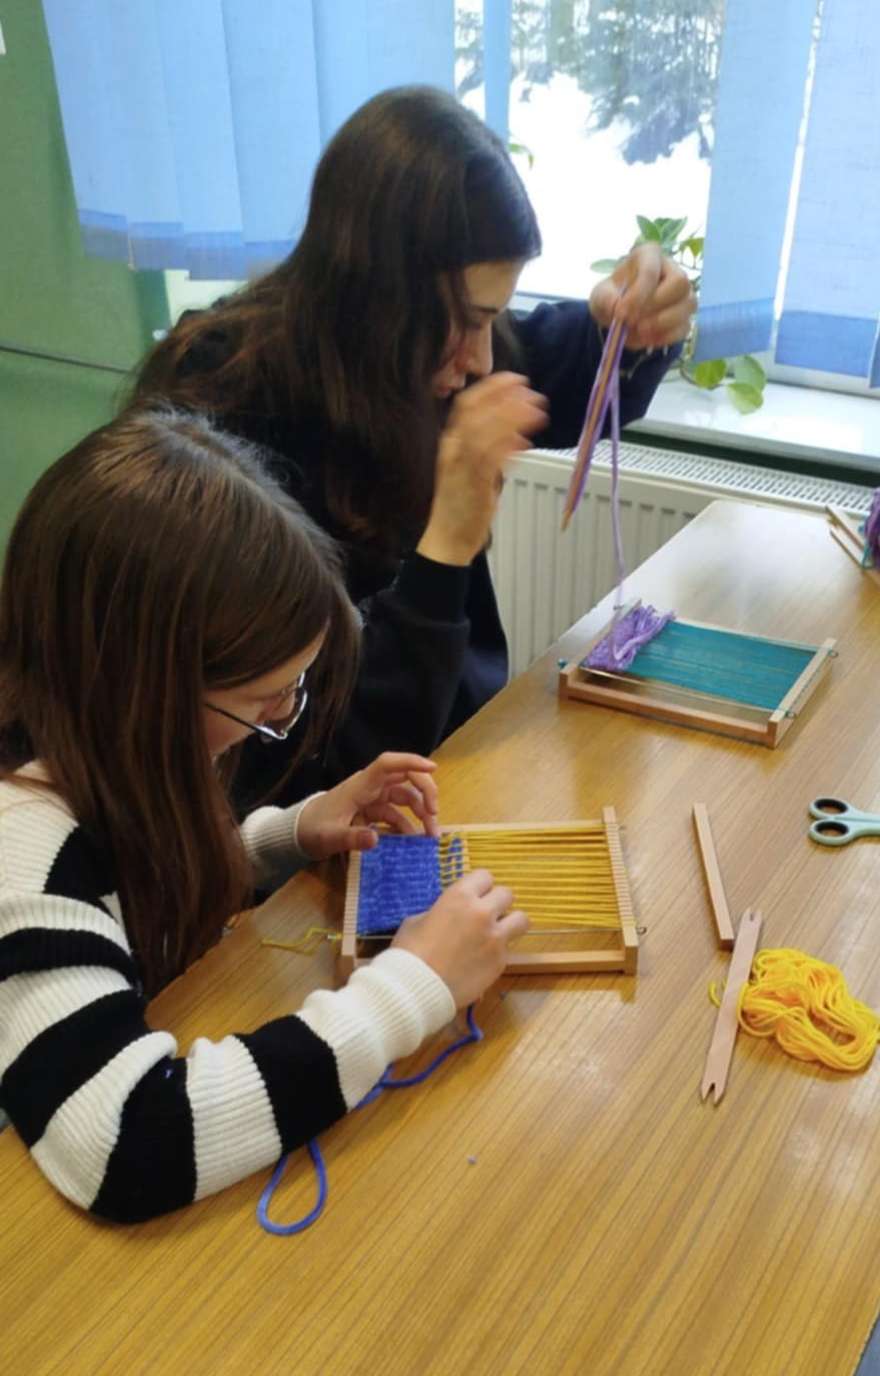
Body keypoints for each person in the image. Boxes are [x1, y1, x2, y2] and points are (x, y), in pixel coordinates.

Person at [0, 410, 527, 1223]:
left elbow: (127, 893)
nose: (281, 717)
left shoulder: (106, 759)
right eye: (263, 701)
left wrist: (290, 833)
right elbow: (130, 1144)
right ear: (144, 691)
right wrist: (411, 987)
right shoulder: (23, 863)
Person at [130, 85, 695, 811]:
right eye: (468, 320)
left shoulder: (416, 346)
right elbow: (325, 752)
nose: (482, 360)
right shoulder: (221, 417)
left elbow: (552, 363)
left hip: (453, 757)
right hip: (325, 815)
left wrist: (632, 324)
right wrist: (447, 543)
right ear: (377, 291)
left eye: (491, 317)